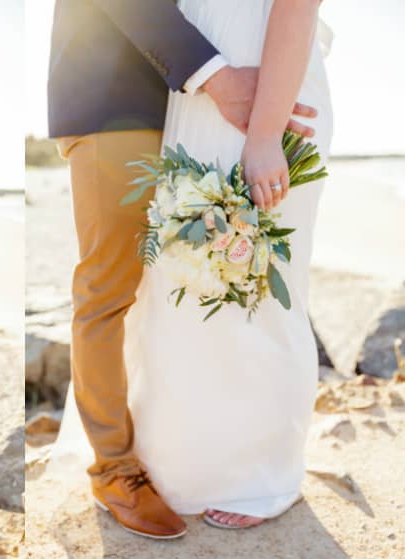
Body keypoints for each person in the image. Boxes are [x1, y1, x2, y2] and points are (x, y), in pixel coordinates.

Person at [47, 0, 324, 537]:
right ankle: (114, 469)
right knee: (110, 291)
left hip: (206, 102)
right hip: (121, 95)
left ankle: (215, 458)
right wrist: (216, 77)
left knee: (223, 284)